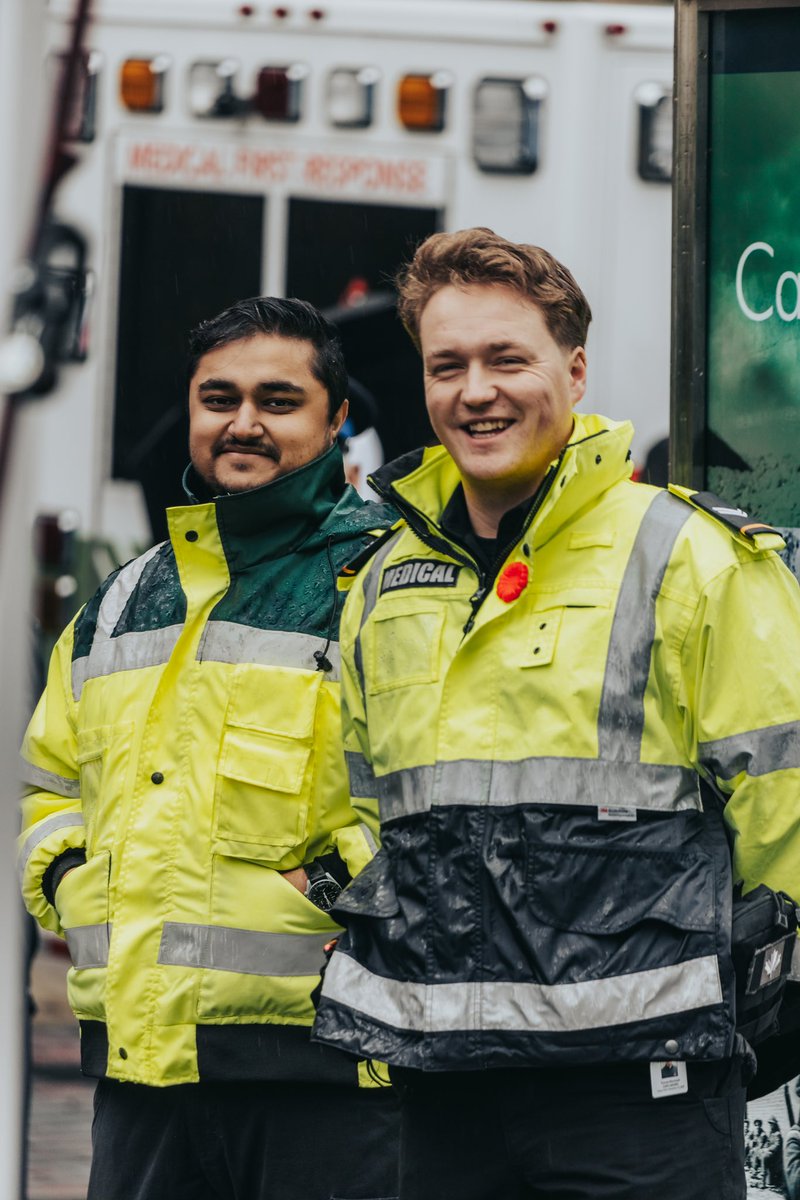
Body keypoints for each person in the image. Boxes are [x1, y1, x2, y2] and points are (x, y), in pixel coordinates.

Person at [312, 227, 800, 1199]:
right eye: (445, 365)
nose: (474, 390)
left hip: (641, 1094)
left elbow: (783, 811)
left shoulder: (687, 557)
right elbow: (357, 806)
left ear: (573, 372)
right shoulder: (380, 588)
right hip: (446, 1094)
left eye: (506, 358)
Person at [18, 297, 399, 1200]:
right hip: (138, 1066)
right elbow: (48, 782)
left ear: (337, 420)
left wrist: (340, 893)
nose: (243, 423)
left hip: (325, 1073)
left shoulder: (385, 582)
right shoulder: (122, 597)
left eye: (278, 399)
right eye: (218, 397)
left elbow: (441, 792)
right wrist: (75, 879)